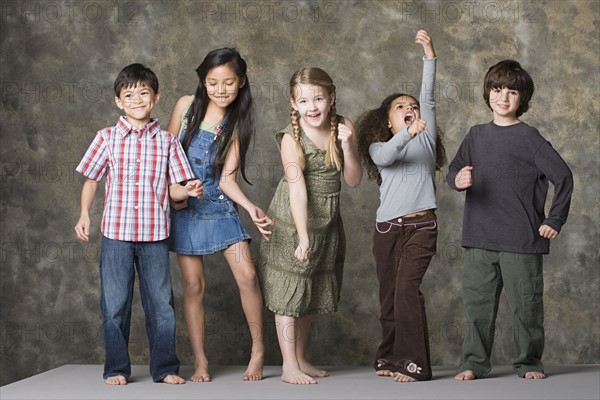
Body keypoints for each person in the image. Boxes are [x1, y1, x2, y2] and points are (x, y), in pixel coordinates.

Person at [74, 63, 203, 385]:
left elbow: (175, 188)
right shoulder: (106, 138)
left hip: (154, 236)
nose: (136, 99)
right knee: (115, 306)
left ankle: (166, 369)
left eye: (143, 93)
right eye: (128, 94)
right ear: (119, 101)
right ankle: (116, 369)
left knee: (161, 306)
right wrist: (84, 214)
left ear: (156, 97)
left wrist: (185, 190)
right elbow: (91, 180)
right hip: (116, 235)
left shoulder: (167, 142)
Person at [446, 59, 573, 380]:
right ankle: (473, 363)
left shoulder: (530, 139)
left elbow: (564, 177)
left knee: (527, 310)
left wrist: (555, 219)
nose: (503, 97)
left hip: (523, 241)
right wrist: (456, 179)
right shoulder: (475, 136)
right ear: (487, 92)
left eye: (512, 91)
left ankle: (529, 362)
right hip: (479, 240)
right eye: (497, 89)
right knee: (477, 308)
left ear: (522, 99)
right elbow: (453, 170)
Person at [167, 48, 272, 382]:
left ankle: (258, 351)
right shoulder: (186, 106)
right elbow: (165, 156)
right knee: (193, 286)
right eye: (213, 82)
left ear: (240, 82)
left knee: (249, 276)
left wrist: (251, 206)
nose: (221, 89)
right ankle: (201, 361)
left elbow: (227, 178)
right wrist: (176, 194)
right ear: (203, 81)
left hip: (218, 205)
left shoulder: (238, 120)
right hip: (184, 206)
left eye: (228, 82)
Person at [257, 67, 362, 385]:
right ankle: (288, 365)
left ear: (331, 97)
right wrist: (302, 237)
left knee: (311, 290)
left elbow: (354, 180)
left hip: (327, 223)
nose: (312, 107)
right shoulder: (292, 137)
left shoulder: (344, 126)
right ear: (293, 103)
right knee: (290, 292)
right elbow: (296, 188)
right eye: (304, 101)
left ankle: (301, 357)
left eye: (318, 98)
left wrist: (349, 146)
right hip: (294, 221)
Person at [356, 30, 444, 383]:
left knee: (407, 291)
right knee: (390, 296)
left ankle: (414, 363)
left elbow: (429, 95)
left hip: (421, 227)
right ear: (388, 121)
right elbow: (389, 154)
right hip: (386, 229)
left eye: (413, 106)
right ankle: (389, 356)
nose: (410, 109)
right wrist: (405, 133)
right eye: (400, 107)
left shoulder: (426, 138)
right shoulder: (381, 148)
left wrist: (429, 55)